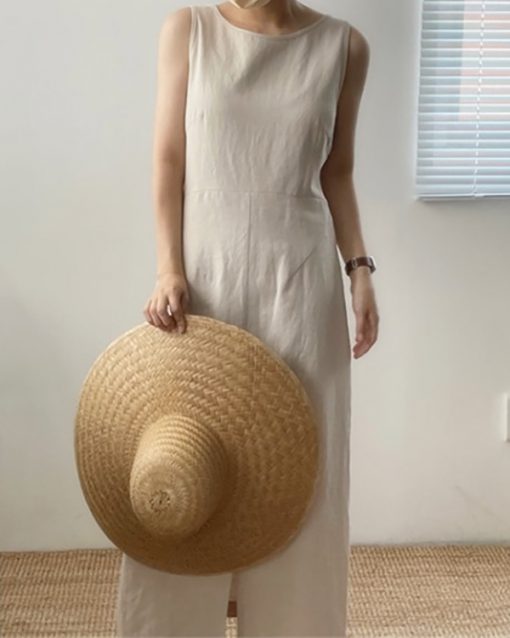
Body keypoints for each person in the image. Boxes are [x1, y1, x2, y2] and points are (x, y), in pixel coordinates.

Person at [117, 1, 378, 636]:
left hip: (300, 281)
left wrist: (360, 269)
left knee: (301, 471)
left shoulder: (345, 47)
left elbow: (337, 170)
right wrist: (168, 268)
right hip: (206, 279)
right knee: (184, 466)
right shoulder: (189, 29)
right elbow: (168, 158)